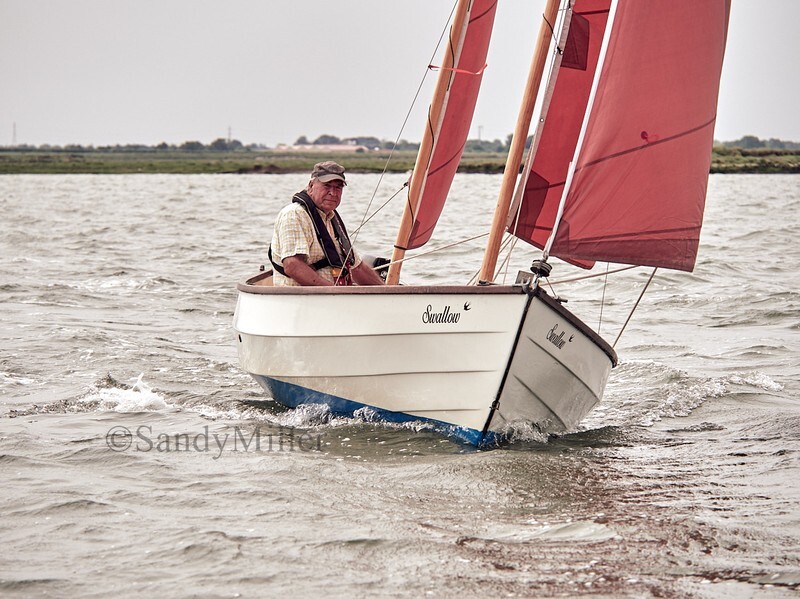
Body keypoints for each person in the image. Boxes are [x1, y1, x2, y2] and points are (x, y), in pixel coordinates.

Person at [269, 161, 385, 286]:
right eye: (327, 185)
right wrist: (336, 293)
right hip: (303, 300)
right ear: (311, 185)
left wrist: (386, 291)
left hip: (330, 299)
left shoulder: (330, 218)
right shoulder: (295, 214)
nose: (333, 193)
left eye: (338, 187)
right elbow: (293, 266)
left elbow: (357, 268)